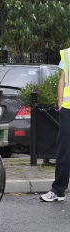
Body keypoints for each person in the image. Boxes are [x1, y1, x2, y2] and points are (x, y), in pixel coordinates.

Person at [40, 48, 70, 202]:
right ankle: (58, 191)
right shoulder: (67, 54)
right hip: (68, 110)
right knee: (64, 151)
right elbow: (62, 80)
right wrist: (60, 102)